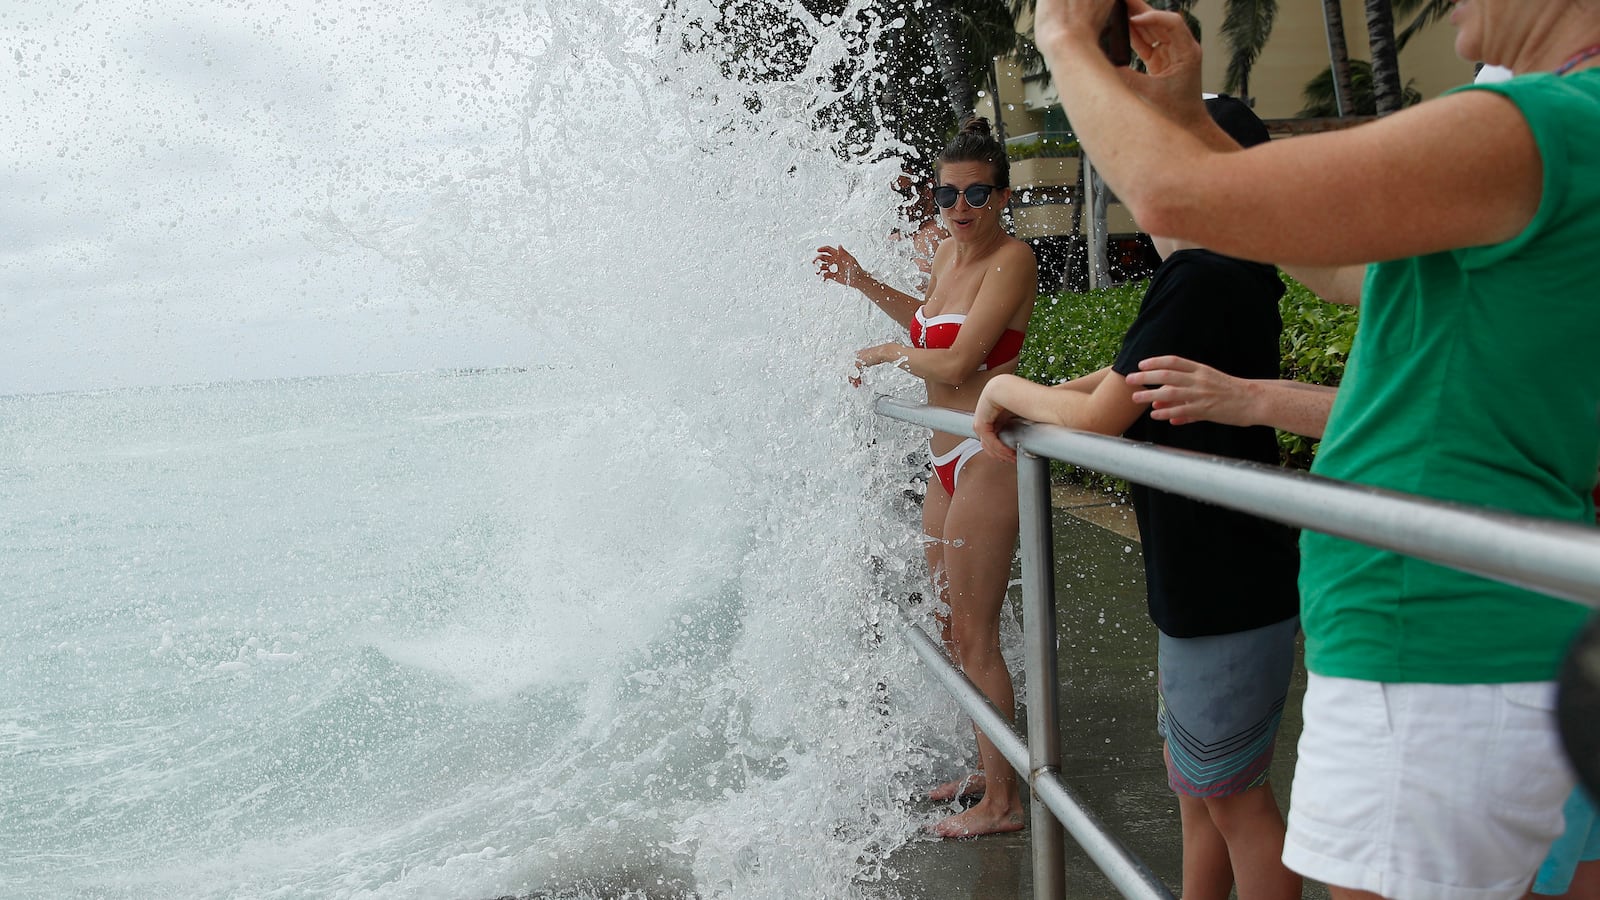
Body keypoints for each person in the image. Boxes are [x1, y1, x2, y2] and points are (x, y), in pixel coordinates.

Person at [1027, 0, 1600, 896]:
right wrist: (1181, 116)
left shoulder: (1544, 125)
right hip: (1457, 643)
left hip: (1434, 643)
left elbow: (1172, 198)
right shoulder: (1570, 135)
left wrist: (1064, 39)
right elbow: (1335, 268)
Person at [969, 95, 1302, 900]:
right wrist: (1042, 392)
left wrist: (1006, 388)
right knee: (1199, 790)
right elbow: (1128, 380)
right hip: (1224, 574)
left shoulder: (1197, 273)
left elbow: (1101, 416)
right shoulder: (1237, 272)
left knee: (1234, 804)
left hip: (1217, 584)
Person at [816, 116, 1038, 839]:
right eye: (947, 194)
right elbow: (927, 327)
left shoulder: (1012, 260)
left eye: (977, 193)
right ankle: (989, 766)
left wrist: (883, 355)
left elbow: (957, 363)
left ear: (1002, 195)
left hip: (986, 456)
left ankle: (1003, 805)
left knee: (975, 634)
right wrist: (863, 283)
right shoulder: (946, 254)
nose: (960, 207)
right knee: (951, 626)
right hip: (943, 459)